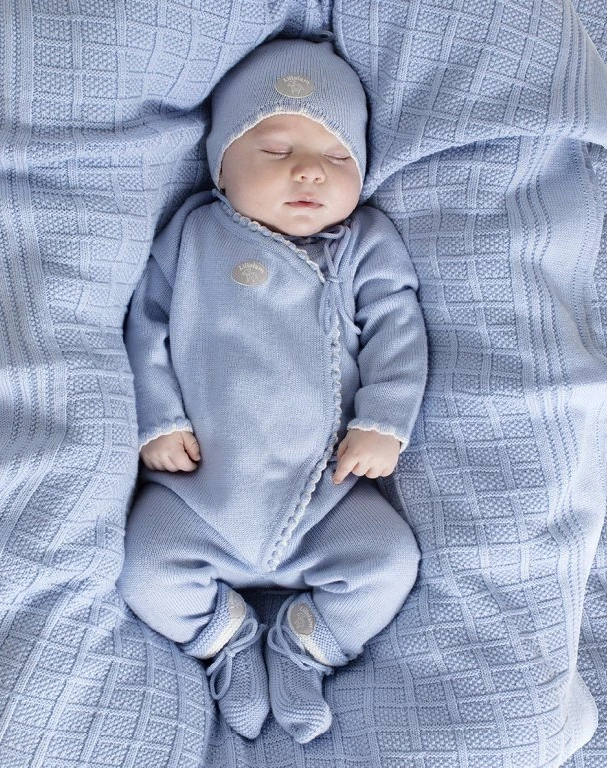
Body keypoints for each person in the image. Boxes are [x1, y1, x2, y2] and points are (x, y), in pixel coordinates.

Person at [117, 35, 428, 744]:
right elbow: (147, 325)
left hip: (326, 497)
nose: (309, 170)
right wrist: (158, 418)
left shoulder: (363, 243)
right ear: (221, 167)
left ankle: (304, 644)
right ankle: (224, 638)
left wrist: (383, 420)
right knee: (146, 570)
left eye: (337, 157)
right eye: (275, 149)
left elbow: (398, 327)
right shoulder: (194, 235)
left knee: (389, 563)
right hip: (199, 494)